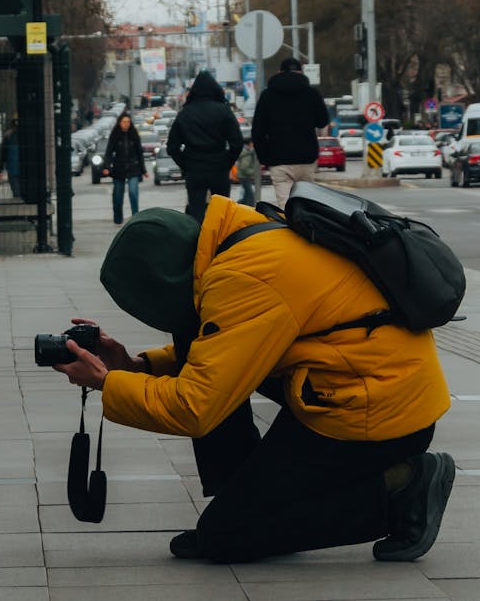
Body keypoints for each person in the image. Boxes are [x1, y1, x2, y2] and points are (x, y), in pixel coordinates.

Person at [49, 196, 455, 564]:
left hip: (375, 414)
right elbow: (225, 349)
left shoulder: (246, 278)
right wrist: (136, 367)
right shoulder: (244, 240)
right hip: (366, 387)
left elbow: (195, 408)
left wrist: (107, 383)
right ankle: (244, 499)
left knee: (226, 535)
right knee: (237, 511)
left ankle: (403, 490)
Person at [251, 57, 331, 208]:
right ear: (301, 72)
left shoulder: (267, 96)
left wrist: (265, 158)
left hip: (279, 160)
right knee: (308, 205)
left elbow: (258, 132)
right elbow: (322, 121)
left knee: (285, 207)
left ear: (279, 72)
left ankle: (288, 230)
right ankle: (308, 231)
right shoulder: (312, 94)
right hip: (306, 158)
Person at [166, 71, 244, 222]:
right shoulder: (224, 111)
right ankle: (220, 242)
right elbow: (237, 142)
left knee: (196, 212)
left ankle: (197, 242)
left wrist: (186, 164)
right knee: (222, 212)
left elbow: (172, 147)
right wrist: (227, 162)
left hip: (194, 168)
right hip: (218, 166)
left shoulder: (185, 113)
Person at [101, 113, 146, 224]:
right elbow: (109, 152)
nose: (126, 124)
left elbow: (139, 153)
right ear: (120, 123)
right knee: (117, 195)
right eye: (124, 122)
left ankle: (135, 216)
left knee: (133, 192)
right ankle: (118, 218)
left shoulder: (134, 135)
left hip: (133, 168)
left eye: (128, 122)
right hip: (118, 168)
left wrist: (143, 170)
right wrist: (107, 166)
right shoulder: (115, 135)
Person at [235, 137, 258, 206]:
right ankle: (250, 208)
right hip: (244, 176)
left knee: (246, 194)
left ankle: (237, 205)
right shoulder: (247, 154)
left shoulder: (245, 152)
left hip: (242, 176)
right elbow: (244, 168)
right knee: (250, 196)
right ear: (250, 143)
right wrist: (254, 172)